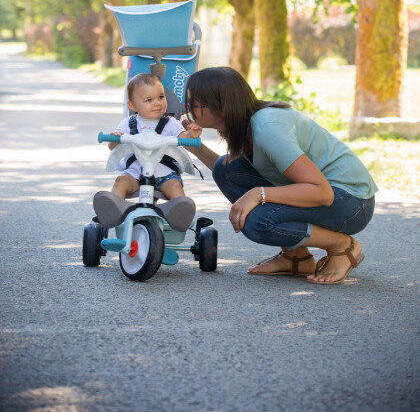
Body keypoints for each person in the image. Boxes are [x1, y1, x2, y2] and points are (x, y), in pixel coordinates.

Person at [183, 67, 377, 286]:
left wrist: (258, 194)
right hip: (331, 194)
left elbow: (323, 193)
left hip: (351, 202)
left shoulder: (267, 129)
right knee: (224, 168)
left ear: (221, 110)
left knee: (257, 221)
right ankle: (296, 257)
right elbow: (231, 174)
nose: (188, 109)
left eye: (196, 104)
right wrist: (195, 146)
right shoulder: (243, 124)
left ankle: (342, 247)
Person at [107, 72, 202, 201]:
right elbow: (112, 147)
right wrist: (115, 139)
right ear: (132, 105)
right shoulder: (128, 123)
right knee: (120, 181)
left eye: (161, 97)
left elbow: (184, 139)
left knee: (175, 186)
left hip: (165, 175)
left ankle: (180, 213)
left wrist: (192, 135)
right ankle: (113, 209)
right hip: (135, 174)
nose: (157, 103)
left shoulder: (170, 122)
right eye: (149, 100)